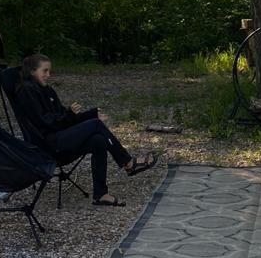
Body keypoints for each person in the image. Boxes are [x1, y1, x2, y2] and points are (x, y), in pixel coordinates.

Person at [14, 54, 157, 207]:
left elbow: (62, 117)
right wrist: (75, 116)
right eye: (45, 71)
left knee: (98, 140)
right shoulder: (26, 91)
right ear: (32, 71)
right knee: (95, 124)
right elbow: (46, 122)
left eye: (49, 71)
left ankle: (100, 194)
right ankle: (128, 162)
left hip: (59, 136)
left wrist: (89, 114)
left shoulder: (46, 90)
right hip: (47, 144)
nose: (48, 75)